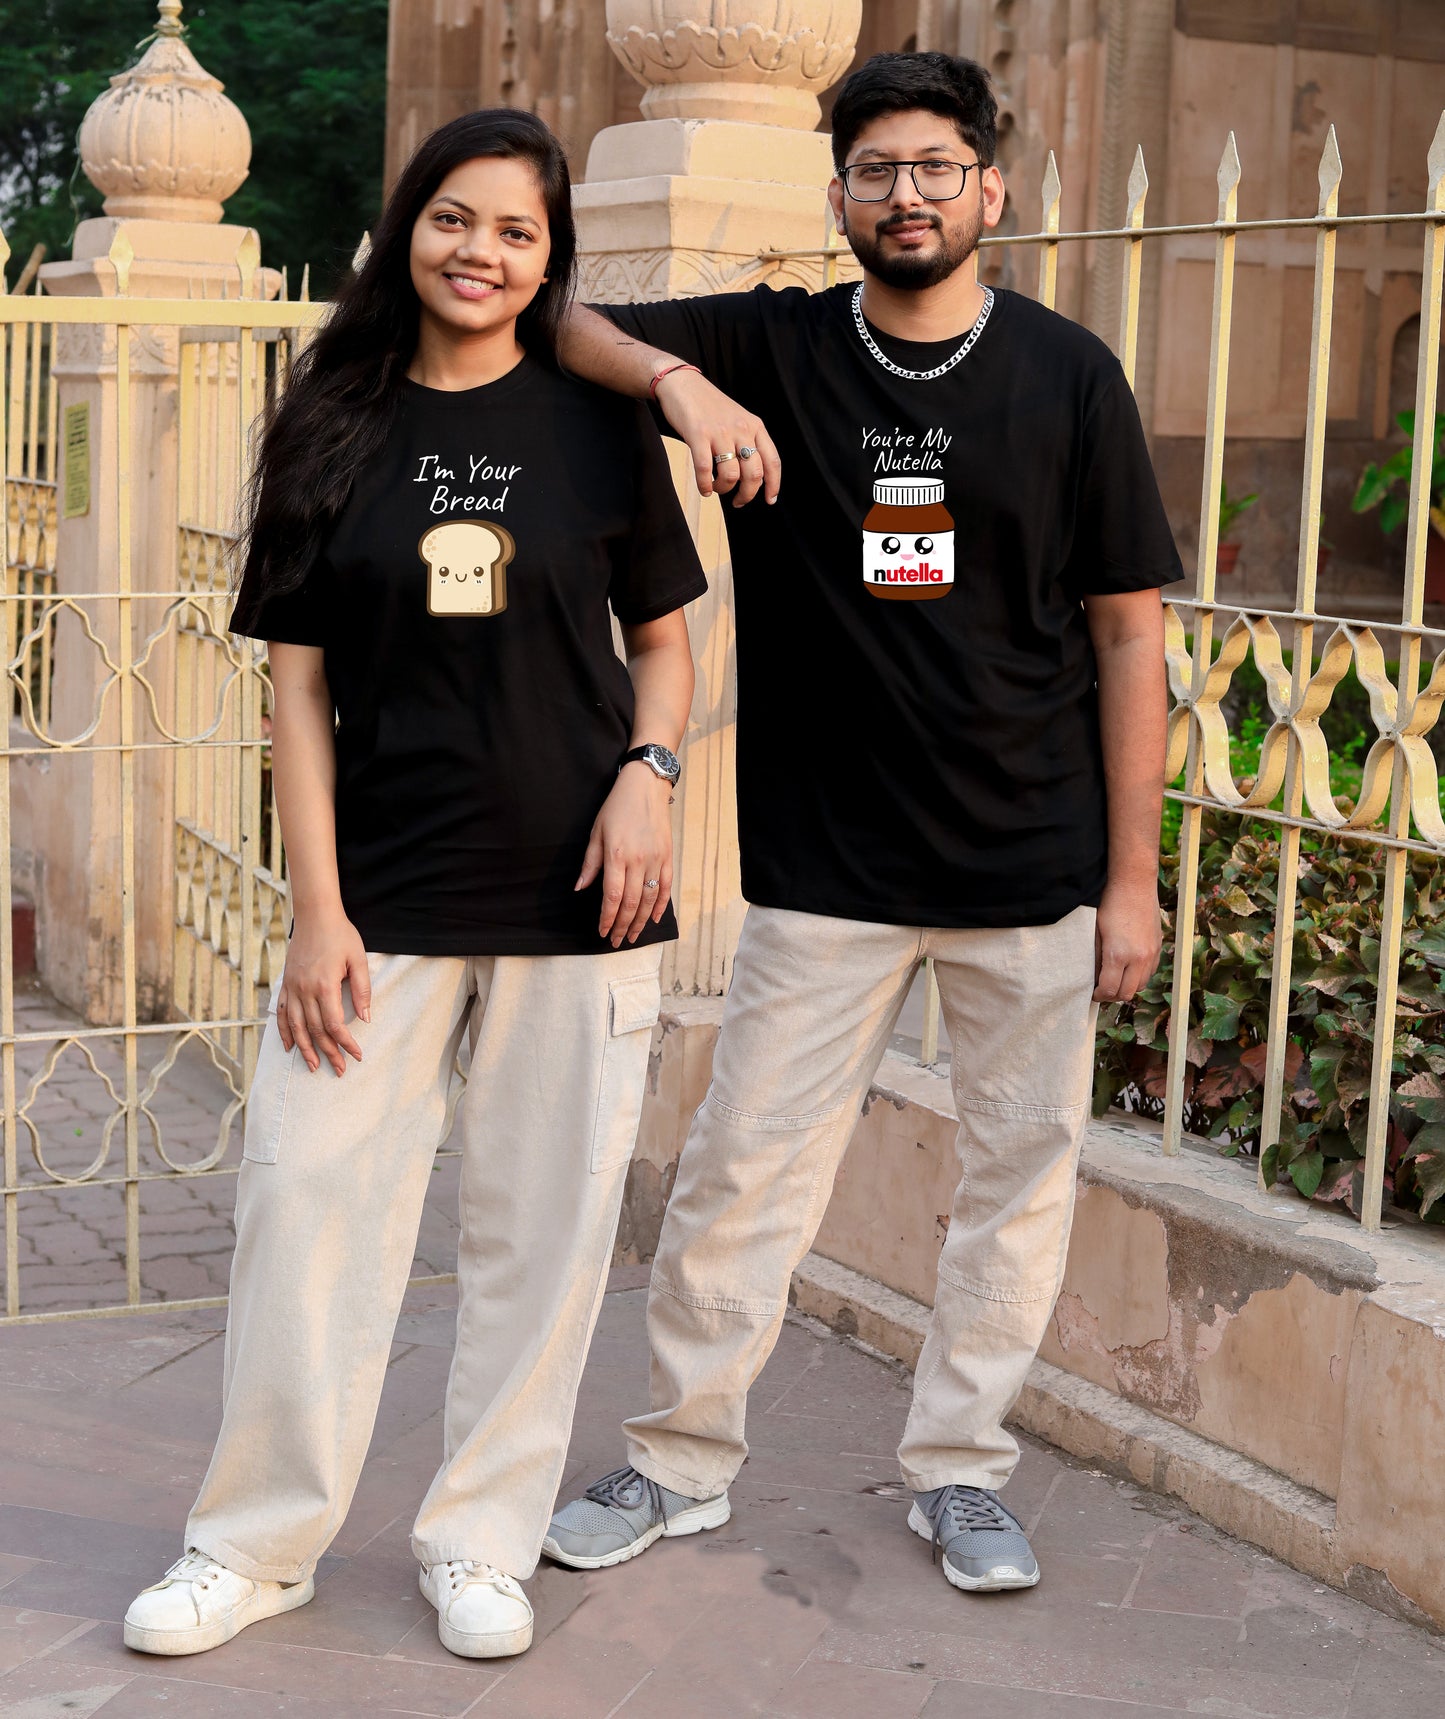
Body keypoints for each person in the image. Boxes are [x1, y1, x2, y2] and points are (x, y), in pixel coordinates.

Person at [544, 50, 1177, 1594]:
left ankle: (959, 1473)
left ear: (991, 191)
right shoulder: (769, 340)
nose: (907, 196)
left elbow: (1126, 635)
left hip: (1026, 861)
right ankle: (678, 1461)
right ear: (837, 194)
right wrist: (682, 382)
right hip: (825, 864)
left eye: (935, 169)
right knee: (740, 1169)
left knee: (1012, 1186)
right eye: (877, 171)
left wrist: (1132, 882)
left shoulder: (1067, 374)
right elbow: (547, 317)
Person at [122, 109, 706, 1661]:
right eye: (457, 219)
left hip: (582, 896)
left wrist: (652, 785)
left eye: (517, 233)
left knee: (544, 1233)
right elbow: (296, 691)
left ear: (547, 258)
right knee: (305, 1205)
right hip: (378, 898)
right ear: (408, 229)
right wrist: (316, 908)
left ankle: (480, 1542)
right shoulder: (332, 418)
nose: (482, 253)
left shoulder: (595, 429)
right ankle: (253, 1546)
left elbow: (664, 642)